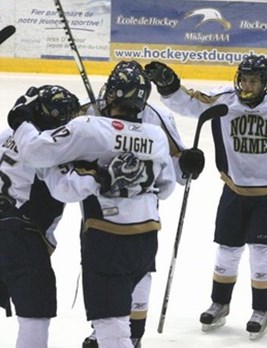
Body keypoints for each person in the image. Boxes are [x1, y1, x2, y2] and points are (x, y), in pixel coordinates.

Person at [7, 66, 193, 348]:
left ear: (111, 94)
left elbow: (36, 152)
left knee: (110, 325)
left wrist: (22, 123)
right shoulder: (155, 135)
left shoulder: (89, 128)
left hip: (107, 239)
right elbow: (166, 187)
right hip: (146, 238)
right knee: (122, 320)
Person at [144, 55, 267, 340]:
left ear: (266, 83)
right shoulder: (224, 99)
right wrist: (169, 85)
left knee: (261, 252)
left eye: (254, 80)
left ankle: (262, 309)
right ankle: (220, 303)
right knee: (227, 250)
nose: (246, 85)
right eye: (243, 78)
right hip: (233, 189)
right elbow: (189, 103)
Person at [78, 60, 203, 348]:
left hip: (140, 209)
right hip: (98, 210)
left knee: (140, 271)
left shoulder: (157, 117)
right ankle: (105, 328)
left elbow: (178, 168)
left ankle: (132, 333)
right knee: (99, 268)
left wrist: (189, 163)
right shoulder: (91, 110)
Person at [0, 85, 81, 348]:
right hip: (25, 241)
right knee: (35, 317)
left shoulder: (8, 134)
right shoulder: (49, 147)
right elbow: (65, 190)